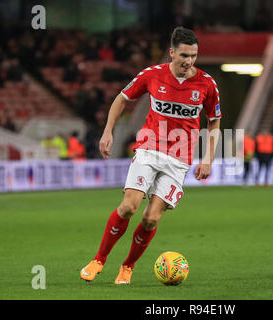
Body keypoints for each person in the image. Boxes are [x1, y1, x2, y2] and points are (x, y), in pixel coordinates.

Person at [80, 27, 221, 284]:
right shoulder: (151, 75)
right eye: (183, 55)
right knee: (129, 207)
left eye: (193, 56)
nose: (188, 61)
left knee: (150, 218)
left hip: (179, 159)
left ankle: (127, 267)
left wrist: (208, 158)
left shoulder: (207, 84)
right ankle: (99, 259)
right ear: (171, 53)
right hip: (149, 148)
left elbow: (214, 122)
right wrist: (108, 131)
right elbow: (121, 99)